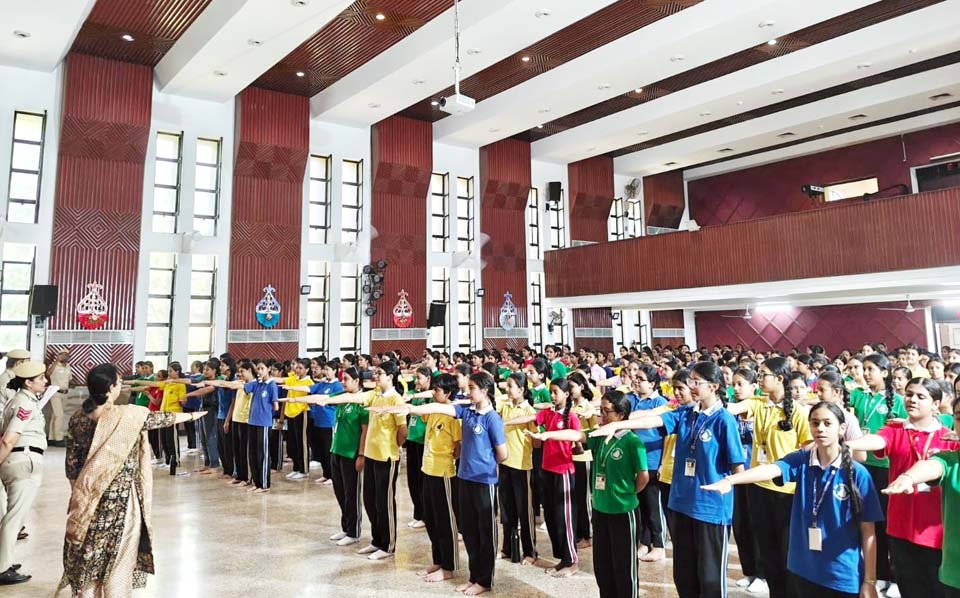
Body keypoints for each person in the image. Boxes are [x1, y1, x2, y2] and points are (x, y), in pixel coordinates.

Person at [592, 361, 745, 598]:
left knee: (710, 578)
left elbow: (738, 466)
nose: (691, 386)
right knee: (684, 576)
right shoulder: (686, 413)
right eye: (690, 381)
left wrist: (732, 490)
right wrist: (618, 425)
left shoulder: (724, 420)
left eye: (696, 382)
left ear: (714, 386)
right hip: (681, 505)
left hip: (710, 508)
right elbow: (653, 421)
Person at [702, 402, 884, 598]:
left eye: (827, 423)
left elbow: (868, 532)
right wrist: (731, 480)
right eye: (815, 423)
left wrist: (869, 581)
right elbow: (771, 469)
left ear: (842, 428)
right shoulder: (802, 460)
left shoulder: (857, 474)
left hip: (841, 575)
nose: (820, 428)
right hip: (802, 570)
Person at [56, 363, 206, 597]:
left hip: (87, 498)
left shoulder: (78, 417)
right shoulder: (126, 416)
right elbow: (162, 419)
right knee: (120, 556)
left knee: (89, 555)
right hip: (121, 500)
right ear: (111, 387)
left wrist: (79, 495)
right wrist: (194, 414)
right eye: (118, 382)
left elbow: (72, 462)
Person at [383, 372, 507, 596]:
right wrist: (410, 408)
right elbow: (439, 407)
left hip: (484, 481)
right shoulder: (467, 411)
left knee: (485, 533)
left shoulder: (492, 418)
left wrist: (483, 462)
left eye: (472, 388)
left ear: (485, 390)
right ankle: (473, 577)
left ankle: (484, 580)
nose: (468, 391)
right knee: (470, 532)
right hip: (465, 478)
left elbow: (502, 454)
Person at [844, 378, 960, 598]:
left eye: (920, 396)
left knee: (937, 589)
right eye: (909, 394)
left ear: (936, 404)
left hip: (935, 532)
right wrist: (849, 444)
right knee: (909, 587)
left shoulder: (948, 437)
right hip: (900, 526)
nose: (912, 400)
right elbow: (877, 441)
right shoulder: (896, 430)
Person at [530, 389, 650, 598]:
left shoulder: (632, 442)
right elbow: (576, 434)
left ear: (621, 414)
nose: (601, 416)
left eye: (606, 411)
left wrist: (627, 493)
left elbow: (643, 477)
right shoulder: (600, 436)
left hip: (623, 511)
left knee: (624, 568)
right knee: (603, 567)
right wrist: (547, 435)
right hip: (600, 510)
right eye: (600, 410)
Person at [0, 360, 47, 585]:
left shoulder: (20, 399)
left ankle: (4, 560)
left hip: (18, 459)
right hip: (23, 461)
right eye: (41, 378)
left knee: (11, 516)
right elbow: (8, 439)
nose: (45, 381)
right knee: (14, 518)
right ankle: (2, 568)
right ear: (28, 382)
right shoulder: (24, 403)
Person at [495, 371, 538, 565]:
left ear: (521, 390)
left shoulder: (528, 411)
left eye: (511, 386)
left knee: (524, 510)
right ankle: (508, 548)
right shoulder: (504, 406)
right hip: (504, 463)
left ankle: (530, 551)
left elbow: (536, 442)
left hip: (522, 465)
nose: (507, 389)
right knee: (506, 510)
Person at [45, 350, 72, 447]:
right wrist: (56, 361)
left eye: (66, 355)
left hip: (65, 393)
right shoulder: (54, 366)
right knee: (59, 415)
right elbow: (48, 374)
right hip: (55, 393)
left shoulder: (68, 367)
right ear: (59, 355)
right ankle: (59, 439)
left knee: (56, 416)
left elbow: (70, 379)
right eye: (62, 355)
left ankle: (51, 438)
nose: (65, 357)